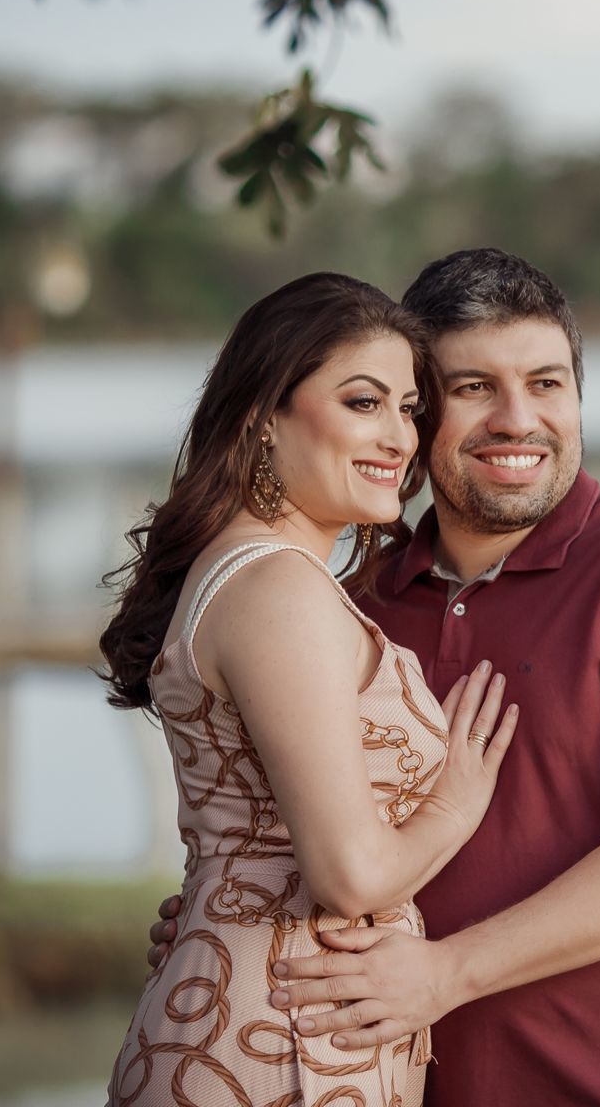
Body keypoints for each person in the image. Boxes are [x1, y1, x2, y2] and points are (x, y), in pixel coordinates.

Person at [149, 248, 600, 1105]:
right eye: (474, 388)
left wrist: (446, 974)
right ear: (420, 413)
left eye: (547, 384)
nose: (519, 419)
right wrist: (234, 917)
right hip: (391, 1084)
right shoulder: (349, 599)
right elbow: (293, 825)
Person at [101, 272, 519, 1105]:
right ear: (263, 418)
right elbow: (352, 877)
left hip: (273, 1017)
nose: (400, 438)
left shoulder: (261, 576)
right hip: (278, 1044)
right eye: (364, 402)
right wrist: (457, 804)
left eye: (408, 409)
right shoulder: (279, 590)